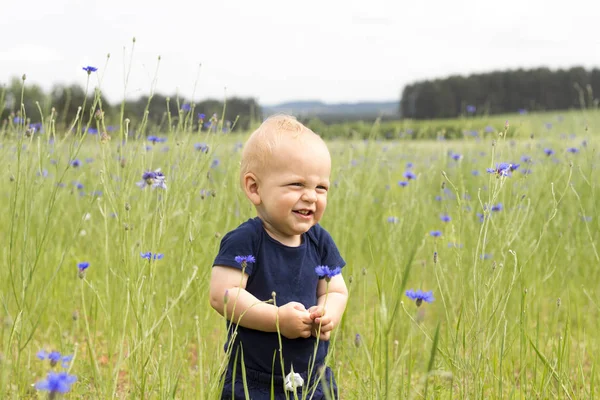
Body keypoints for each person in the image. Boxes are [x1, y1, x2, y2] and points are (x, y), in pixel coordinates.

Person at [209, 115, 348, 399]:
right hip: (253, 380)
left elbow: (335, 289)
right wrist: (277, 319)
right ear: (254, 188)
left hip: (312, 376)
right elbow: (223, 295)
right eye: (297, 184)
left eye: (321, 187)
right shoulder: (246, 240)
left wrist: (328, 313)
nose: (311, 196)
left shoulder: (319, 240)